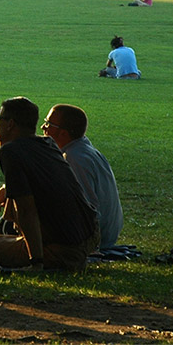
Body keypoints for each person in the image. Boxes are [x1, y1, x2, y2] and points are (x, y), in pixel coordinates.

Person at [0, 97, 99, 271]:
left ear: (10, 124)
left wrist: (36, 262)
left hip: (62, 248)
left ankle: (48, 257)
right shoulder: (48, 144)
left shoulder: (11, 151)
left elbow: (26, 210)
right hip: (89, 236)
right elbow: (14, 208)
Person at [42, 105, 122, 251]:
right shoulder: (84, 150)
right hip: (106, 236)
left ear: (64, 134)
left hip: (95, 240)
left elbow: (87, 209)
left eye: (48, 124)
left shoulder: (75, 159)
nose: (43, 127)